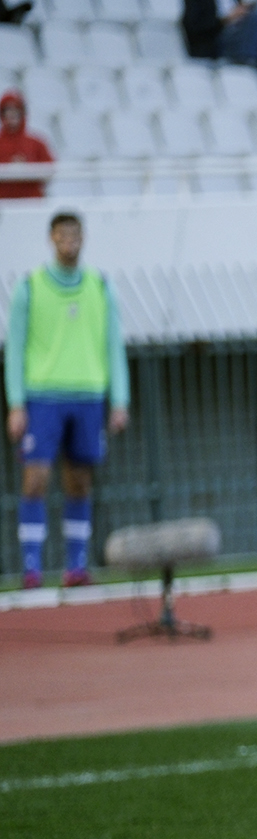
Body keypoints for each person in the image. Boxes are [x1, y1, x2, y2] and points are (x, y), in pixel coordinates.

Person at [5, 212, 129, 590]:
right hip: (44, 395)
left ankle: (76, 566)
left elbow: (113, 344)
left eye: (75, 234)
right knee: (35, 479)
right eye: (62, 235)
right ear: (51, 239)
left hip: (89, 394)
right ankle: (32, 569)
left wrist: (120, 399)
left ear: (84, 238)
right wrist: (16, 402)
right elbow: (15, 348)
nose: (69, 241)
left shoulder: (100, 286)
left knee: (79, 481)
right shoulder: (30, 287)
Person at [0, 89, 54, 200]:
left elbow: (50, 170)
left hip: (31, 202)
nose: (12, 114)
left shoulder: (37, 143)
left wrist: (28, 168)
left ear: (22, 113)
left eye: (16, 110)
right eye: (8, 110)